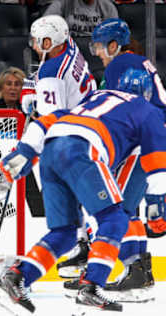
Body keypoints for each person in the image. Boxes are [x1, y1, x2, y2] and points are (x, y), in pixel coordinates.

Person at [0, 88, 166, 313]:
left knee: (66, 231)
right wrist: (156, 207)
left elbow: (45, 122)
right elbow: (158, 166)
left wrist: (20, 157)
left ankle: (18, 276)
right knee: (115, 219)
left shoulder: (99, 96)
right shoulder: (151, 112)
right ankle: (91, 286)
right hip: (84, 148)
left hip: (50, 149)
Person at [60, 18, 166, 302]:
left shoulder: (121, 64)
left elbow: (126, 108)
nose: (97, 54)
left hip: (142, 142)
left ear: (114, 44)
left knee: (114, 206)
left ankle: (133, 275)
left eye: (98, 47)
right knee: (123, 206)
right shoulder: (138, 62)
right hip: (151, 139)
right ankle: (136, 273)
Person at [19, 14, 96, 118]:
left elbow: (49, 120)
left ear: (47, 43)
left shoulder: (50, 72)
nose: (34, 47)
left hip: (77, 125)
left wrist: (35, 105)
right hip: (91, 107)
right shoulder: (68, 42)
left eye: (35, 41)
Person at [43, 0, 118, 37]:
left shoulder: (107, 6)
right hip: (70, 45)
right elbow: (44, 23)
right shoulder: (64, 2)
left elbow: (114, 35)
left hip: (97, 48)